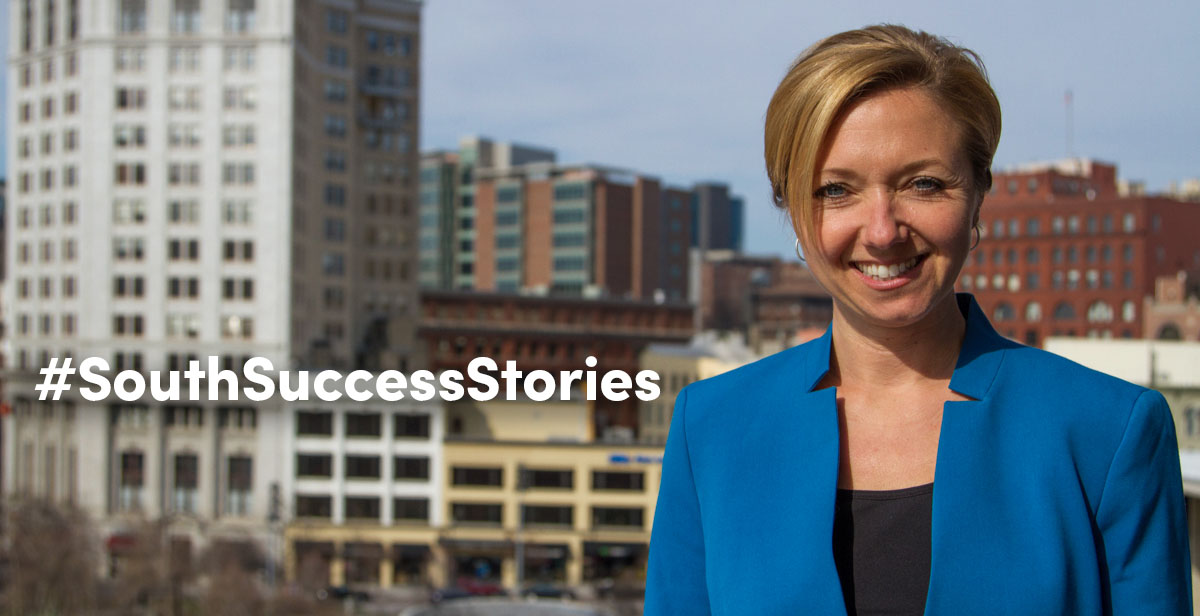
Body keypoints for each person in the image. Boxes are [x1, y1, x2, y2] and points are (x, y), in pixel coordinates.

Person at [644, 24, 1191, 615]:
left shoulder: (1108, 433)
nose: (882, 232)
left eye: (923, 184)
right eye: (835, 190)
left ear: (979, 193)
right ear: (793, 210)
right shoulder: (713, 428)